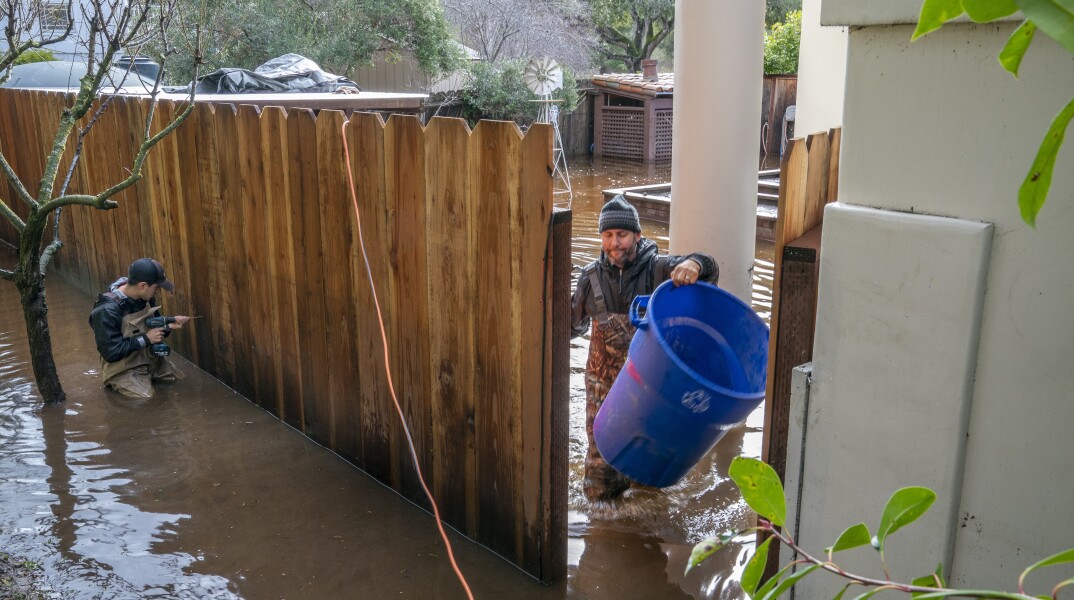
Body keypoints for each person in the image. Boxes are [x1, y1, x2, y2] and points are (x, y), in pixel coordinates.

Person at [571, 196, 718, 503]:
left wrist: (695, 263)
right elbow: (571, 328)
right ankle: (602, 530)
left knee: (648, 479)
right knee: (598, 481)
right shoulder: (589, 278)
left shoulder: (660, 270)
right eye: (608, 235)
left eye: (622, 235)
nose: (615, 243)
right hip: (603, 389)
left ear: (637, 236)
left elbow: (709, 270)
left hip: (652, 389)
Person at [88, 258, 190, 399]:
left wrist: (168, 324)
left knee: (178, 380)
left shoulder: (146, 296)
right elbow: (111, 352)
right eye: (157, 288)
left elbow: (153, 324)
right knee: (144, 400)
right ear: (143, 286)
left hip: (151, 359)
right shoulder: (106, 311)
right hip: (124, 368)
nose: (158, 292)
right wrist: (147, 339)